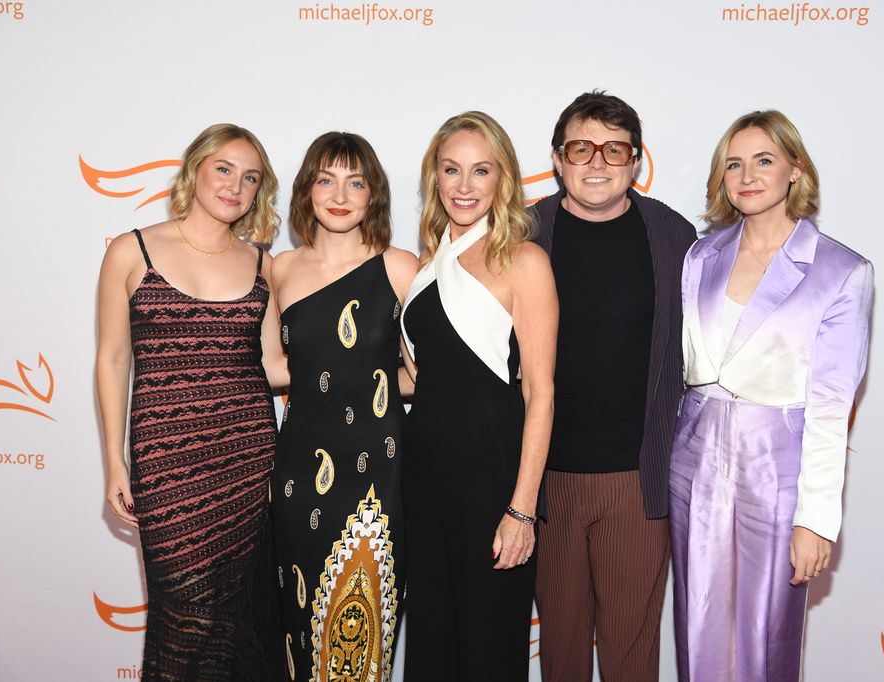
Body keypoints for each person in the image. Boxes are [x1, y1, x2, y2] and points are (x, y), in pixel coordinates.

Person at [669, 110, 873, 681]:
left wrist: (816, 521)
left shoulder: (841, 271)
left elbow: (832, 407)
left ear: (795, 169)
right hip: (694, 458)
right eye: (733, 163)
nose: (747, 175)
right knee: (698, 620)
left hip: (776, 466)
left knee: (765, 631)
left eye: (764, 160)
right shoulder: (700, 256)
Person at [96, 123, 287, 680]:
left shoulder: (261, 264)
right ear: (195, 169)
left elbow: (274, 365)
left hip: (248, 460)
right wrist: (114, 460)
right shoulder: (131, 252)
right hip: (167, 463)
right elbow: (112, 360)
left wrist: (358, 366)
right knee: (185, 616)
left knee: (235, 621)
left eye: (250, 177)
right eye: (224, 168)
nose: (235, 185)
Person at [530, 90, 696, 681]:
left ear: (634, 161)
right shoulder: (524, 231)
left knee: (632, 656)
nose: (597, 162)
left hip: (637, 486)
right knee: (562, 656)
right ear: (557, 158)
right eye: (581, 147)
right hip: (544, 486)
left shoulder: (674, 237)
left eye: (614, 149)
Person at [399, 111, 558, 681]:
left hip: (492, 475)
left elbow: (540, 392)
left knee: (490, 646)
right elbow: (420, 378)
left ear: (502, 180)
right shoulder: (424, 265)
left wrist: (521, 508)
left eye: (480, 170)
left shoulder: (524, 260)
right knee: (433, 644)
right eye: (451, 170)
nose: (464, 185)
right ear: (435, 178)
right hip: (422, 475)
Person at [269, 132, 418, 682]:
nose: (340, 194)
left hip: (379, 471)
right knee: (299, 631)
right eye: (325, 179)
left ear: (373, 194)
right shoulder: (278, 270)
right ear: (307, 190)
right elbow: (270, 368)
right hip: (298, 471)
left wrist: (366, 379)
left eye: (355, 182)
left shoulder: (400, 267)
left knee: (366, 637)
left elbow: (423, 378)